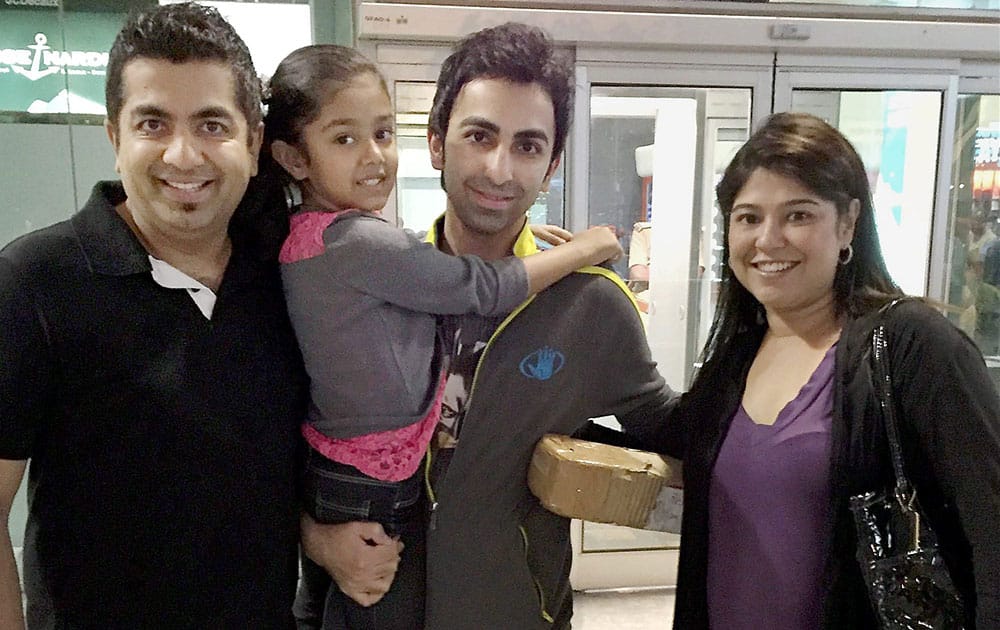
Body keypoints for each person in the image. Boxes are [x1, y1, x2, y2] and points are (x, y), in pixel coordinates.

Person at [301, 23, 678, 630]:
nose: (500, 169)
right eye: (479, 135)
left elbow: (676, 428)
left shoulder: (590, 304)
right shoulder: (364, 289)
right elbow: (280, 441)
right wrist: (314, 537)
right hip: (371, 611)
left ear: (551, 165)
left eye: (528, 146)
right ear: (436, 144)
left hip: (514, 612)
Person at [0, 4, 307, 627]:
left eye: (212, 125)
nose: (183, 155)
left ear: (252, 144)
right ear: (116, 138)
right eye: (153, 123)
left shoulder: (292, 279)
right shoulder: (34, 282)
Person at [657, 112, 1000, 629]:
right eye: (748, 218)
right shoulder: (736, 358)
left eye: (798, 215)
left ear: (847, 223)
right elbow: (663, 440)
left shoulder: (913, 348)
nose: (768, 240)